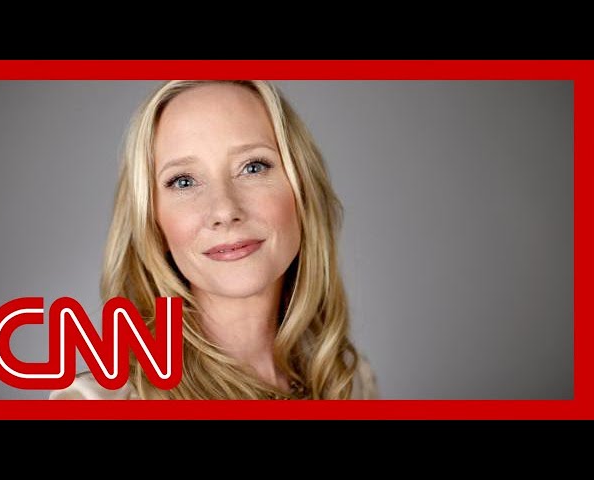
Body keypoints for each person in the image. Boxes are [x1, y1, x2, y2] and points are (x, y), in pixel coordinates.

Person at [49, 80, 379, 400]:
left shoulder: (348, 382)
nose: (224, 210)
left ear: (302, 190)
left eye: (253, 167)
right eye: (183, 181)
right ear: (153, 223)